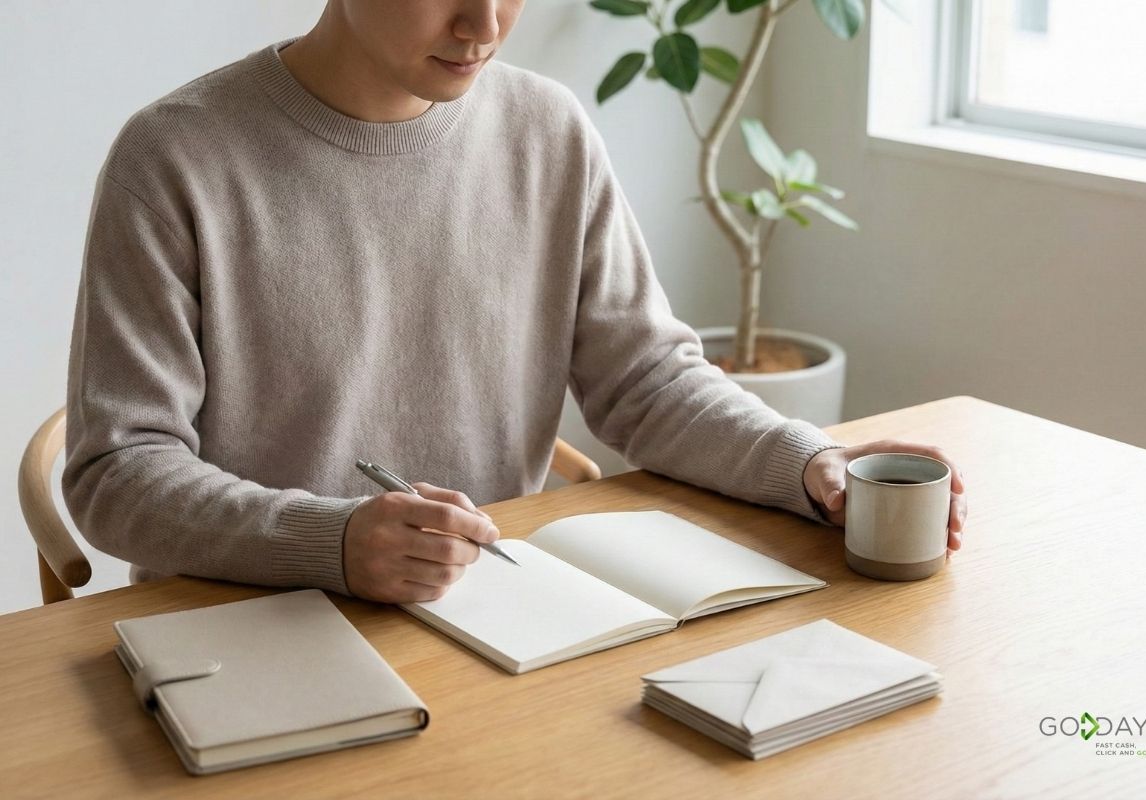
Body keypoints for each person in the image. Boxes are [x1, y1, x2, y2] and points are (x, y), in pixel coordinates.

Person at [63, 0, 967, 605]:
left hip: (498, 615)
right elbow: (117, 475)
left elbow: (646, 381)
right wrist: (333, 543)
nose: (484, 23)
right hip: (244, 631)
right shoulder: (175, 158)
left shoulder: (548, 129)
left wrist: (803, 459)